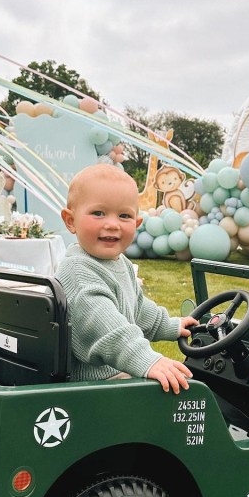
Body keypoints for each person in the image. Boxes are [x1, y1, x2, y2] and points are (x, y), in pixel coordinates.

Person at [56, 164, 198, 393]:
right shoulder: (78, 270)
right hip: (90, 387)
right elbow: (107, 327)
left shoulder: (118, 263)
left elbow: (138, 309)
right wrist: (147, 359)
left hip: (112, 375)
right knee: (172, 398)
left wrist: (170, 325)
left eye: (124, 216)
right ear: (70, 221)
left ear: (136, 223)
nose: (112, 224)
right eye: (98, 213)